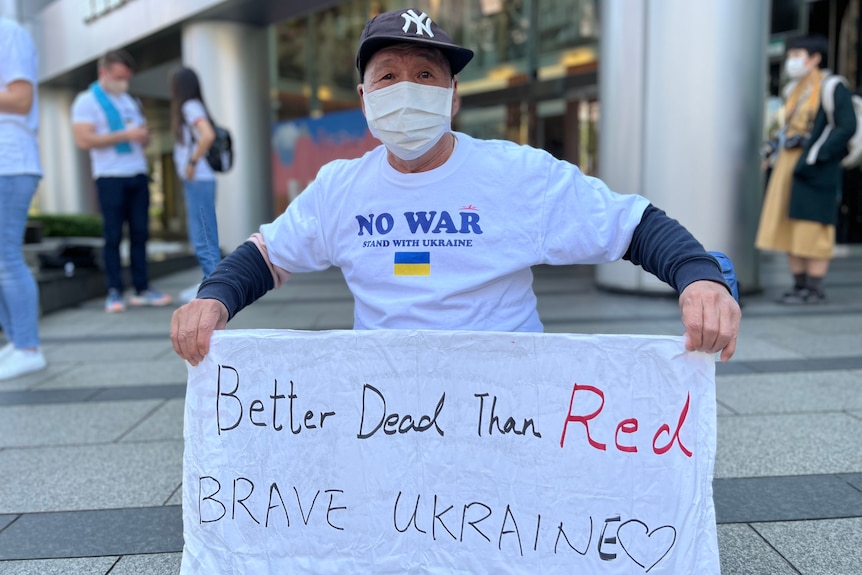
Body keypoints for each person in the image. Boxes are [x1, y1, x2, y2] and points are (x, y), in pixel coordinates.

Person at [171, 7, 740, 366]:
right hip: (383, 407)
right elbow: (268, 254)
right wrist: (213, 300)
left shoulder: (518, 175)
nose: (407, 88)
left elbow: (632, 225)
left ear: (452, 96)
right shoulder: (339, 188)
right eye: (388, 74)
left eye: (426, 75)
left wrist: (699, 279)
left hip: (508, 405)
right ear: (365, 99)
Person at [756, 35, 856, 304]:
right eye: (791, 55)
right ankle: (799, 286)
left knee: (813, 226)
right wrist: (768, 150)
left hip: (816, 166)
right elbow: (784, 128)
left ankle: (813, 288)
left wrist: (817, 155)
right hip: (788, 164)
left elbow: (847, 125)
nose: (792, 60)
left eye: (797, 54)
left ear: (815, 58)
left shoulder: (832, 86)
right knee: (790, 224)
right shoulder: (793, 90)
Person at [71, 49, 171, 313]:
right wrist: (124, 135)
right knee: (113, 235)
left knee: (140, 233)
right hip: (110, 176)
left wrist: (142, 136)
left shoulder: (130, 100)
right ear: (103, 73)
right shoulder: (86, 101)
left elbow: (141, 134)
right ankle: (114, 290)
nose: (123, 82)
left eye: (127, 78)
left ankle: (142, 288)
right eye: (119, 77)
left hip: (136, 172)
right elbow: (83, 139)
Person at [0, 17, 47, 380]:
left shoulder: (8, 32)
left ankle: (29, 347)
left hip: (11, 161)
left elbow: (20, 98)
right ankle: (18, 342)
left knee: (6, 256)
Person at [169, 66, 221, 303]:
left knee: (203, 236)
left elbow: (207, 135)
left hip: (198, 180)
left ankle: (214, 289)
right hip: (200, 180)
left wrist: (191, 162)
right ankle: (208, 284)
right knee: (205, 234)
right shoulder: (194, 106)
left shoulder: (189, 107)